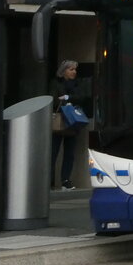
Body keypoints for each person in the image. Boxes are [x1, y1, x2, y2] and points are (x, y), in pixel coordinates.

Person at [51, 59, 89, 190]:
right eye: (71, 69)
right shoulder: (56, 83)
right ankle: (48, 180)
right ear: (64, 71)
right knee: (53, 151)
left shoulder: (78, 84)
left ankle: (65, 180)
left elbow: (82, 97)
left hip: (73, 121)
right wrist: (62, 100)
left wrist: (67, 98)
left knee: (70, 152)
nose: (74, 72)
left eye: (75, 69)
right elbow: (53, 98)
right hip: (60, 119)